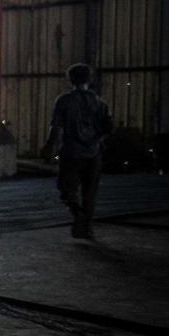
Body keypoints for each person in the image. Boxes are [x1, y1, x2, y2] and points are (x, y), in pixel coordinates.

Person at [41, 63, 114, 239]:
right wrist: (96, 140)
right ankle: (87, 228)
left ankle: (78, 215)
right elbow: (109, 128)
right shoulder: (100, 102)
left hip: (72, 153)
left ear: (70, 80)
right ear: (90, 79)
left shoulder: (64, 101)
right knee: (90, 193)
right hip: (93, 153)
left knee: (66, 189)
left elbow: (56, 129)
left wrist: (49, 148)